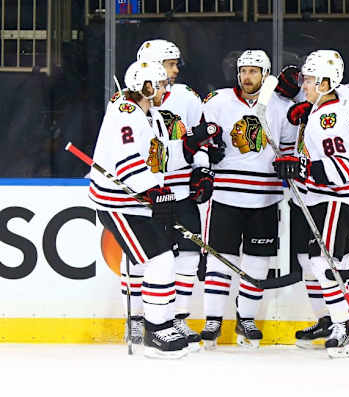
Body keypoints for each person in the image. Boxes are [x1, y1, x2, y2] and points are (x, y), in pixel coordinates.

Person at [88, 60, 221, 358]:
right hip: (118, 204)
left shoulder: (154, 116)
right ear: (146, 86)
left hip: (137, 202)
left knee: (163, 260)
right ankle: (155, 331)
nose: (166, 89)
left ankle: (159, 327)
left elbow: (159, 155)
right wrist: (155, 192)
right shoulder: (125, 112)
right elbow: (128, 161)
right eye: (160, 84)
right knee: (159, 260)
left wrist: (189, 146)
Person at [273, 50, 349, 358]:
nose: (304, 85)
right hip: (329, 198)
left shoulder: (328, 118)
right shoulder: (337, 105)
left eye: (308, 79)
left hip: (333, 199)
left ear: (324, 82)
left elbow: (343, 169)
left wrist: (298, 167)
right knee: (340, 267)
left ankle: (341, 326)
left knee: (322, 263)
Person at [200, 49, 297, 349]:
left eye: (254, 71)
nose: (247, 76)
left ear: (265, 74)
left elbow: (289, 150)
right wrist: (207, 153)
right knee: (220, 259)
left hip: (265, 198)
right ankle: (213, 320)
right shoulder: (217, 102)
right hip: (226, 196)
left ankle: (247, 318)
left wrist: (290, 166)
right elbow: (202, 142)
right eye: (243, 71)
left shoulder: (282, 106)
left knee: (258, 261)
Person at [133, 39, 224, 352]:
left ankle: (176, 319)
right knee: (148, 258)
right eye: (171, 64)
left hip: (181, 190)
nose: (176, 70)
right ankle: (140, 320)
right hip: (149, 194)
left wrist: (201, 170)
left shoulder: (186, 97)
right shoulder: (128, 104)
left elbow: (199, 140)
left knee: (187, 254)